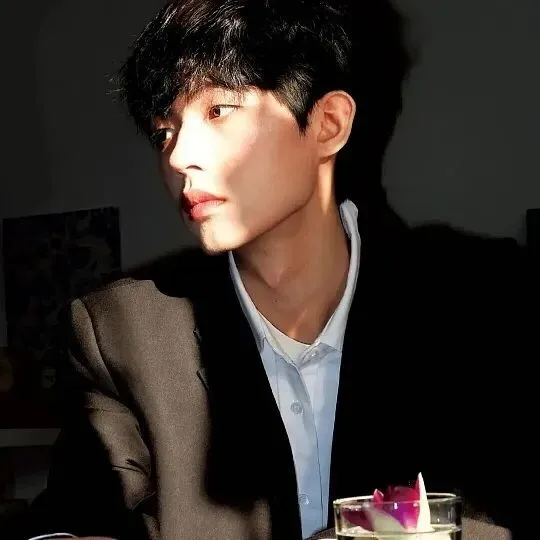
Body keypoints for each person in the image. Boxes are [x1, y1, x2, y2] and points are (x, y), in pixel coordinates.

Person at [22, 0, 537, 539]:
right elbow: (76, 515)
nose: (177, 157)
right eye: (163, 133)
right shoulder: (121, 332)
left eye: (218, 110)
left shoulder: (485, 297)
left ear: (328, 124)